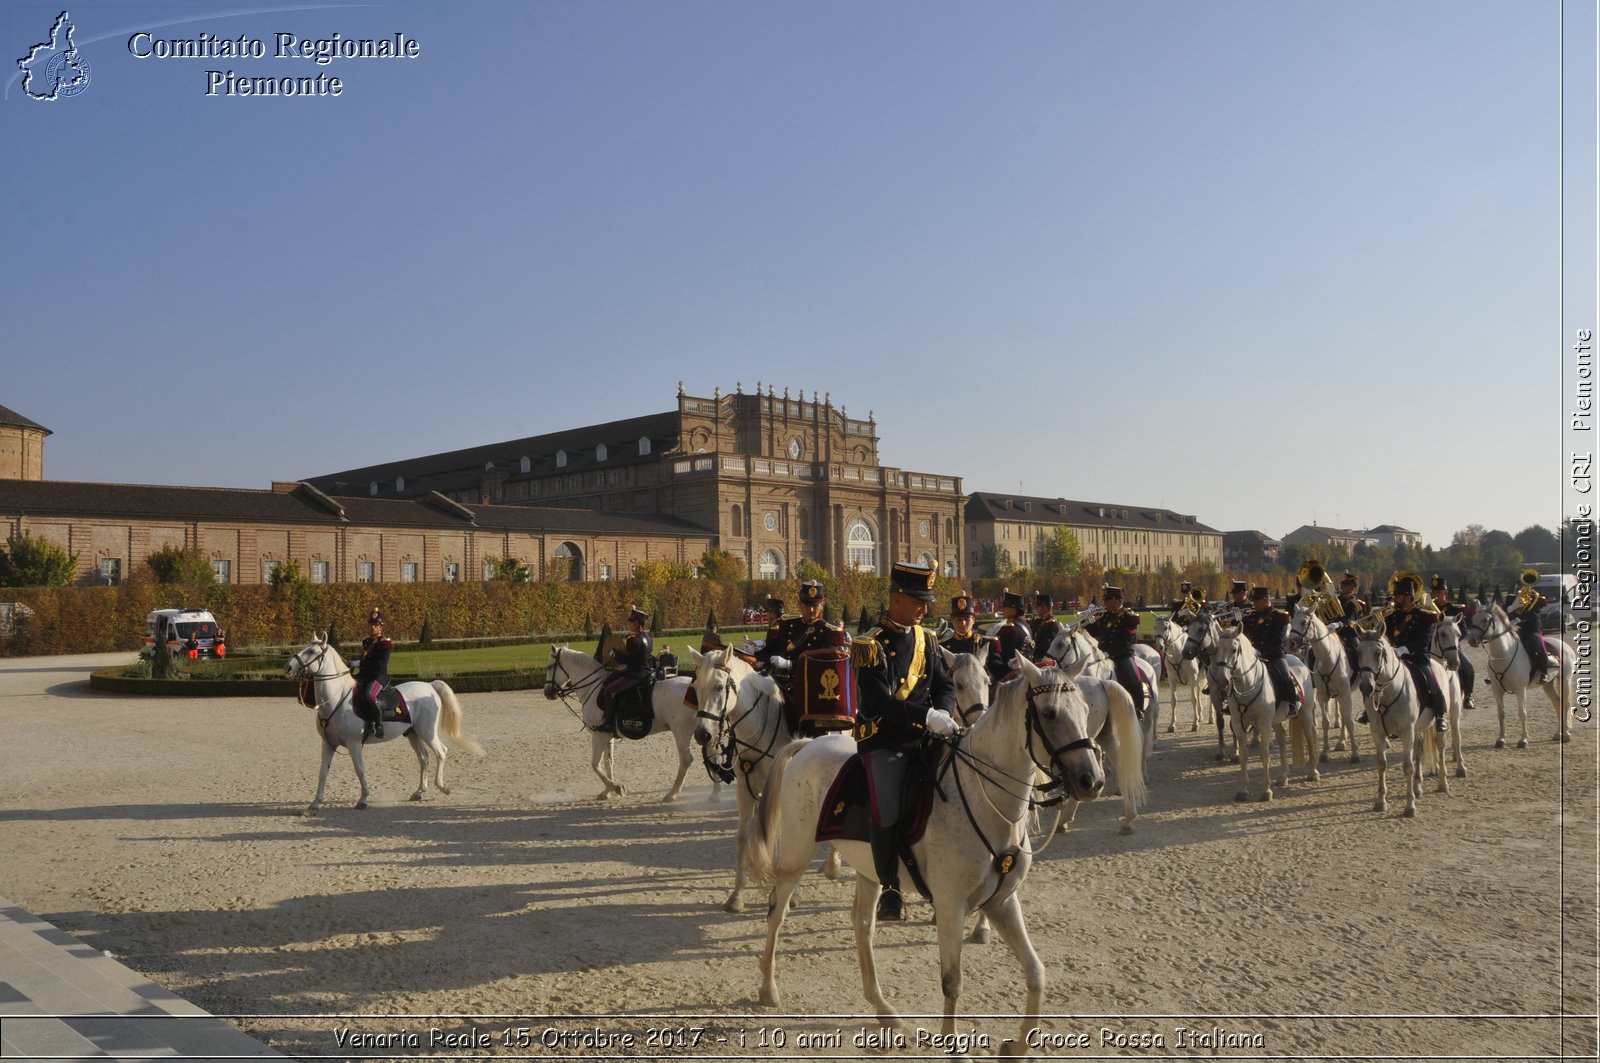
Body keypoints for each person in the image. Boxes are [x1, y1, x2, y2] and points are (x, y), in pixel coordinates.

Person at [852, 561, 957, 922]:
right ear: (896, 598)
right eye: (918, 600)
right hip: (886, 739)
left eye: (926, 600)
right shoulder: (869, 645)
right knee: (887, 807)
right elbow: (877, 703)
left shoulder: (927, 639)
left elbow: (945, 684)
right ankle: (891, 887)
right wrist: (925, 716)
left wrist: (943, 712)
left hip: (927, 735)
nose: (925, 607)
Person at [756, 579, 844, 735]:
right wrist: (759, 647)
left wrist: (790, 664)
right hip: (779, 678)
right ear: (800, 605)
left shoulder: (829, 632)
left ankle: (798, 732)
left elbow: (824, 664)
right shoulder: (790, 624)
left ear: (821, 606)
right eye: (807, 605)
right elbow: (777, 645)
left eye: (815, 606)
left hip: (808, 684)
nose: (811, 610)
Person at [1378, 576, 1446, 731]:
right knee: (1377, 679)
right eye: (1395, 595)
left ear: (1408, 596)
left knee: (1432, 684)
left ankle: (1440, 716)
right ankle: (1371, 713)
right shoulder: (1392, 616)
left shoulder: (1424, 616)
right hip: (1395, 658)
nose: (1395, 598)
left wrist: (1404, 649)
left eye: (1398, 596)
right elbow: (1385, 636)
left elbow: (1424, 640)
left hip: (1417, 658)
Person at [1085, 585, 1146, 720]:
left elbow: (1128, 640)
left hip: (1122, 654)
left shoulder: (1129, 617)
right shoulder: (1104, 616)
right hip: (1102, 654)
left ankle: (1138, 708)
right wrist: (1088, 620)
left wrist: (1109, 653)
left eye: (1107, 600)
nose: (1105, 603)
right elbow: (1094, 632)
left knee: (1133, 677)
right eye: (1105, 600)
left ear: (1117, 601)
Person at [1239, 587, 1299, 717]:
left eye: (1257, 600)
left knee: (1284, 674)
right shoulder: (1251, 616)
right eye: (1253, 601)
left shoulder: (1280, 616)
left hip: (1273, 655)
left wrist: (1260, 651)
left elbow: (1279, 641)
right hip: (1253, 657)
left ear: (1266, 600)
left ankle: (1292, 703)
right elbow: (1244, 635)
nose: (1254, 603)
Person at [599, 606, 654, 732]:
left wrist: (614, 655)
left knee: (609, 691)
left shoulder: (633, 639)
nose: (629, 625)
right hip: (647, 671)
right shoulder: (648, 637)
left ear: (636, 623)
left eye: (630, 622)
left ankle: (609, 723)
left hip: (635, 675)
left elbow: (625, 660)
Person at [1430, 576, 1476, 711]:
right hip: (1431, 647)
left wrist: (1452, 641)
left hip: (1451, 646)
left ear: (1445, 593)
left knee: (1468, 668)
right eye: (1435, 592)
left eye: (1440, 591)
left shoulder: (1455, 609)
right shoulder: (1427, 609)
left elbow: (1462, 630)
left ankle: (1467, 696)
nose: (1437, 594)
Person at [1508, 574, 1558, 685]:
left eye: (1524, 585)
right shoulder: (1511, 598)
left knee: (1539, 646)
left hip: (1531, 629)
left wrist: (1518, 619)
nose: (1521, 588)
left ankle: (1544, 673)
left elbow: (1535, 613)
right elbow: (1505, 611)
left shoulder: (1538, 598)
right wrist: (1511, 608)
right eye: (1520, 585)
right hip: (1514, 629)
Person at [354, 607, 392, 739]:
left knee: (370, 695)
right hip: (365, 676)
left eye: (376, 625)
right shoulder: (367, 642)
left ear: (381, 627)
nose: (373, 627)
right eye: (371, 624)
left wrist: (359, 663)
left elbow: (379, 665)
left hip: (379, 676)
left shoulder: (385, 643)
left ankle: (378, 724)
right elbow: (365, 660)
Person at [988, 589, 1034, 684]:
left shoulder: (1009, 629)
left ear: (1013, 609)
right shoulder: (1025, 624)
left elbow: (1002, 655)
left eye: (1005, 607)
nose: (1002, 609)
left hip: (1009, 678)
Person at [1029, 591, 1062, 665]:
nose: (1036, 609)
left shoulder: (1052, 624)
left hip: (1043, 659)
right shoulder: (1039, 621)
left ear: (1045, 607)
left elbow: (1045, 646)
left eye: (1038, 607)